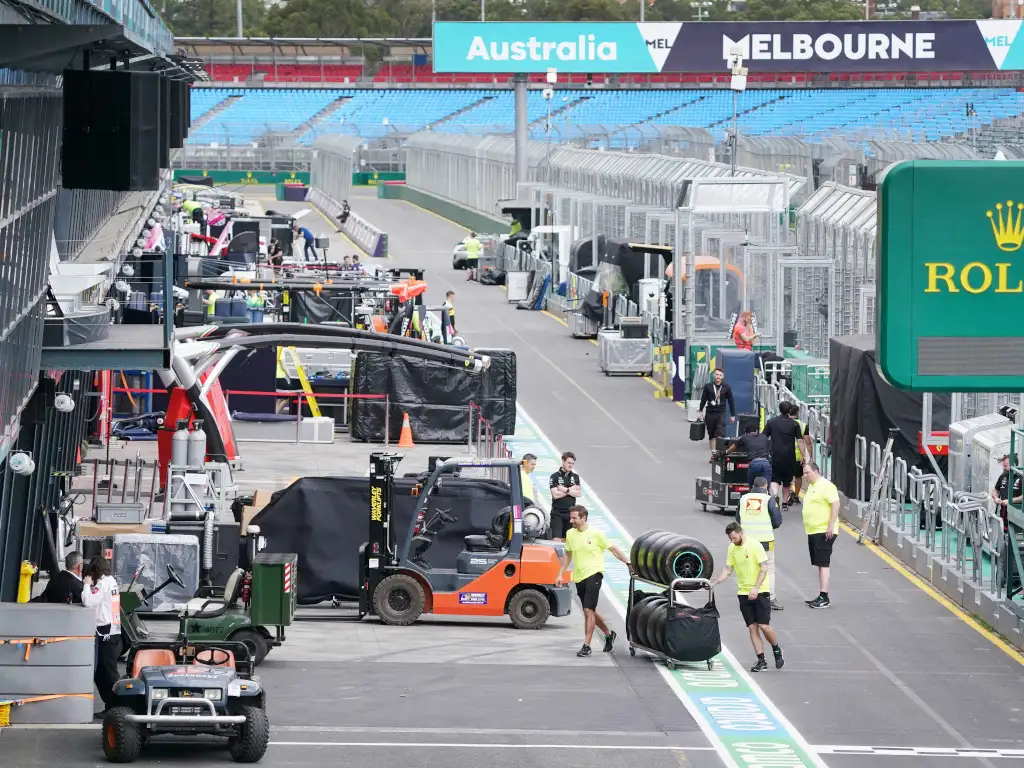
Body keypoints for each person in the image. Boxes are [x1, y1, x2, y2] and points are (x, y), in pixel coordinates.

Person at [555, 505, 632, 657]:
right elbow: (568, 555)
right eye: (571, 518)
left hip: (594, 574)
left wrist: (627, 563)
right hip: (579, 577)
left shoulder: (596, 534)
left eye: (574, 518)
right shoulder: (570, 534)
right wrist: (560, 574)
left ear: (583, 518)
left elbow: (613, 549)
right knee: (591, 611)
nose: (571, 521)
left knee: (587, 610)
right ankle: (609, 635)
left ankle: (587, 645)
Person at [708, 522, 784, 672]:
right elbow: (728, 569)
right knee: (752, 627)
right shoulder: (732, 548)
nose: (733, 541)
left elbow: (764, 568)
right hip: (743, 593)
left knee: (763, 626)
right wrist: (715, 582)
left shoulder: (755, 546)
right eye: (731, 539)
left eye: (734, 538)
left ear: (741, 533)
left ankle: (776, 649)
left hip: (760, 591)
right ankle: (761, 660)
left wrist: (756, 588)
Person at [81, 556, 122, 715]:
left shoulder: (102, 584)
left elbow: (88, 601)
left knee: (105, 672)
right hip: (113, 630)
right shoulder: (111, 581)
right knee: (106, 671)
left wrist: (86, 586)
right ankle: (111, 705)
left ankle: (115, 706)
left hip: (105, 632)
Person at [737, 477, 784, 611]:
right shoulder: (769, 500)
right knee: (768, 568)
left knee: (750, 567)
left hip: (747, 541)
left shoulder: (743, 499)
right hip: (765, 541)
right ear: (765, 486)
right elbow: (777, 521)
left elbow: (738, 518)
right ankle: (771, 598)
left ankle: (750, 595)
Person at [799, 462, 840, 609]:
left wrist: (830, 525)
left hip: (824, 530)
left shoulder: (826, 486)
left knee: (823, 563)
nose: (805, 476)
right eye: (804, 473)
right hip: (813, 531)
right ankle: (821, 594)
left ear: (816, 471)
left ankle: (824, 596)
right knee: (819, 563)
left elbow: (835, 504)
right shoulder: (812, 486)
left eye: (807, 473)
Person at [763, 402, 804, 508]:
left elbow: (764, 437)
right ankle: (784, 502)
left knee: (774, 478)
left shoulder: (771, 422)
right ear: (790, 410)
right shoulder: (795, 424)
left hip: (775, 455)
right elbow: (800, 441)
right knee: (787, 481)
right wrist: (804, 455)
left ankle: (776, 495)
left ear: (779, 409)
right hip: (789, 456)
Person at [698, 368, 737, 457]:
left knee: (719, 433)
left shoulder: (726, 387)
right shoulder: (708, 386)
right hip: (710, 413)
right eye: (716, 374)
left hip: (721, 413)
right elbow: (703, 399)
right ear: (713, 375)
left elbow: (731, 401)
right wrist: (700, 411)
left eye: (720, 375)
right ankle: (714, 454)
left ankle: (719, 454)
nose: (718, 377)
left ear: (722, 377)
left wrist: (732, 415)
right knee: (711, 434)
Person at [549, 451, 581, 540]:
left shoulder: (575, 477)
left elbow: (578, 493)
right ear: (563, 461)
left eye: (572, 464)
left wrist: (563, 489)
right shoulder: (554, 476)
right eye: (569, 463)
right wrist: (570, 490)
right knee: (556, 540)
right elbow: (555, 495)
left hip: (570, 514)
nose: (571, 465)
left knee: (568, 540)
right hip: (557, 513)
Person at [729, 421, 772, 487]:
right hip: (766, 463)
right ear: (757, 430)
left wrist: (725, 452)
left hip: (754, 463)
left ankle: (752, 491)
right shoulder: (764, 437)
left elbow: (734, 447)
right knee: (766, 487)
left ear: (746, 432)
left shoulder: (745, 437)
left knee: (752, 486)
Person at [992, 454, 1023, 532]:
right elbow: (995, 490)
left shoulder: (1022, 478)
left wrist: (1010, 501)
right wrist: (995, 497)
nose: (1004, 468)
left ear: (1014, 465)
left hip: (1017, 517)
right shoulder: (1003, 476)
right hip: (1003, 515)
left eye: (1005, 466)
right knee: (1002, 537)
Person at [790, 404, 812, 497]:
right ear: (798, 413)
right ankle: (796, 495)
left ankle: (788, 495)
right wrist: (810, 457)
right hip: (798, 456)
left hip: (783, 454)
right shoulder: (803, 425)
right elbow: (808, 442)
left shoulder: (782, 423)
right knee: (798, 477)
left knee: (786, 477)